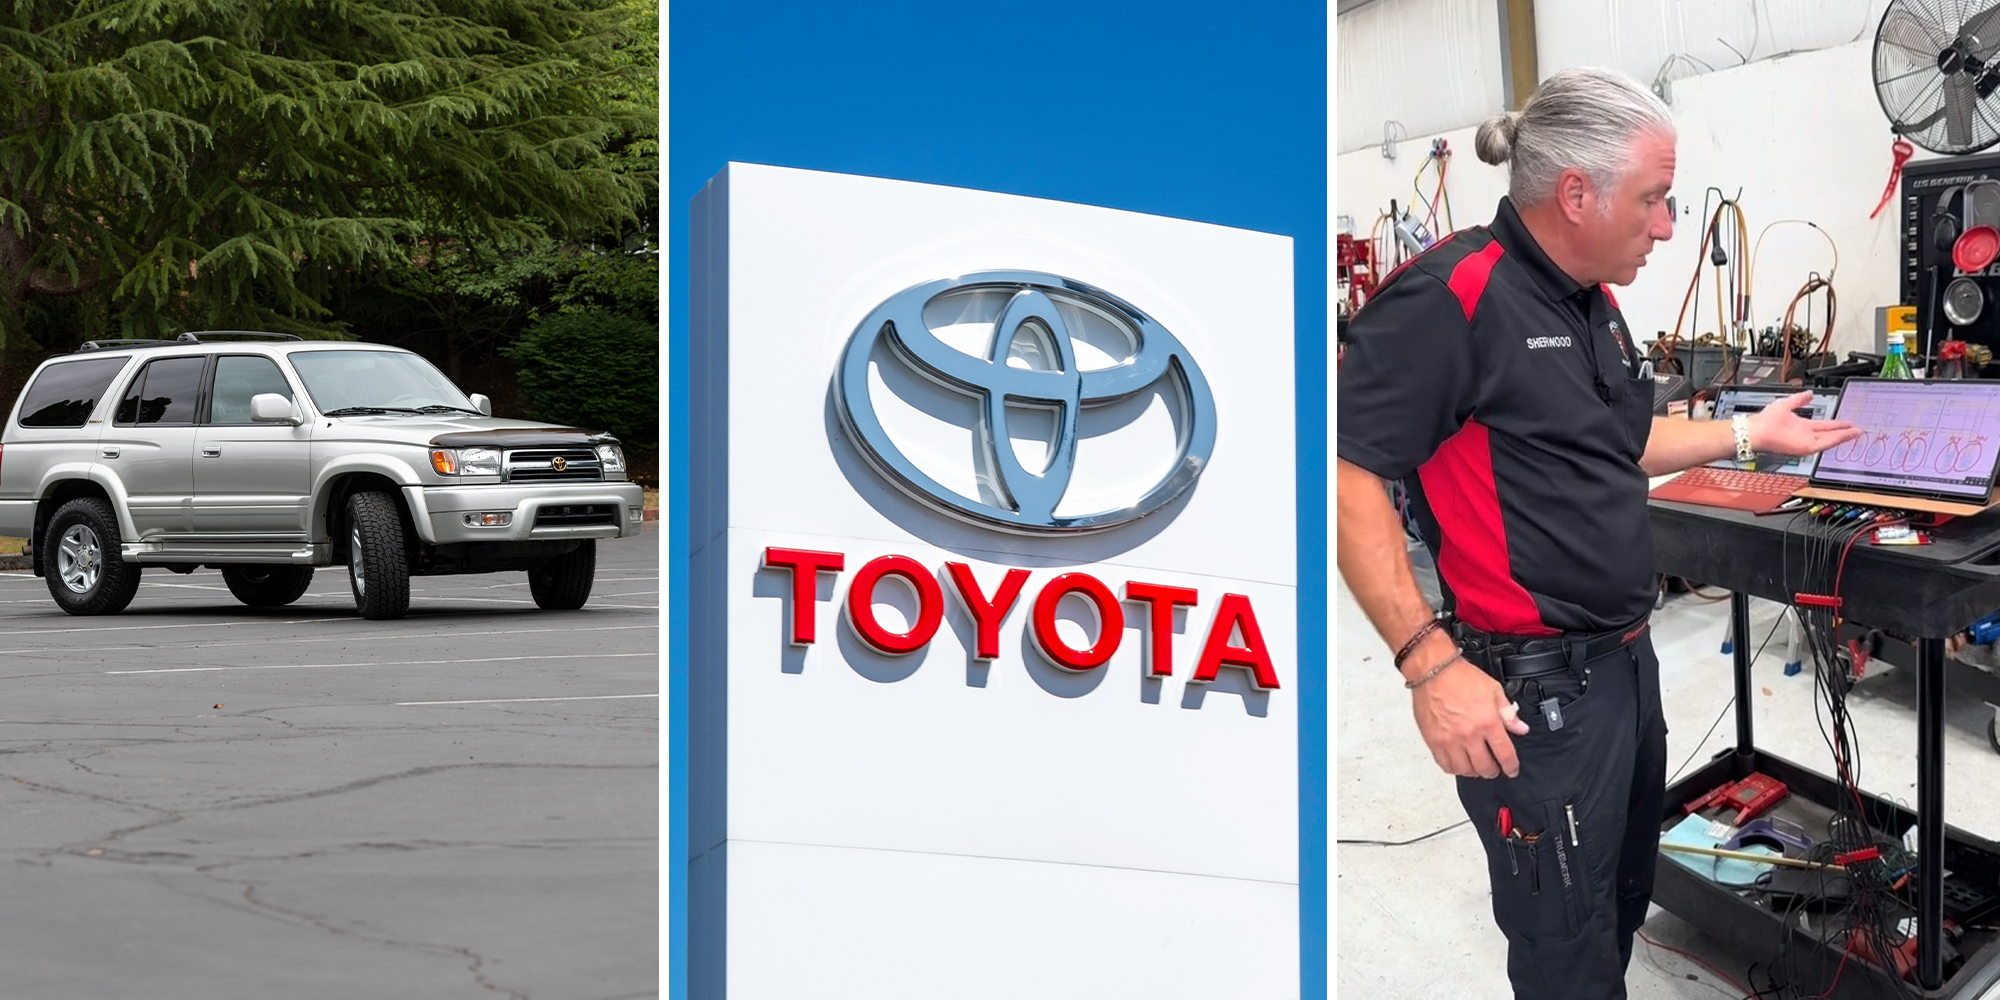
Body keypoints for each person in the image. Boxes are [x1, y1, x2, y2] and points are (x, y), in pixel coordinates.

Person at [1335, 67, 1863, 1000]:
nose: (1667, 226)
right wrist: (1428, 663)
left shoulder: (1591, 300)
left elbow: (1623, 440)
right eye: (1654, 199)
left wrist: (1752, 435)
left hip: (1624, 670)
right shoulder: (1450, 298)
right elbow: (1345, 477)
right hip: (1532, 699)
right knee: (1566, 956)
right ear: (1576, 194)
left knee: (1618, 909)